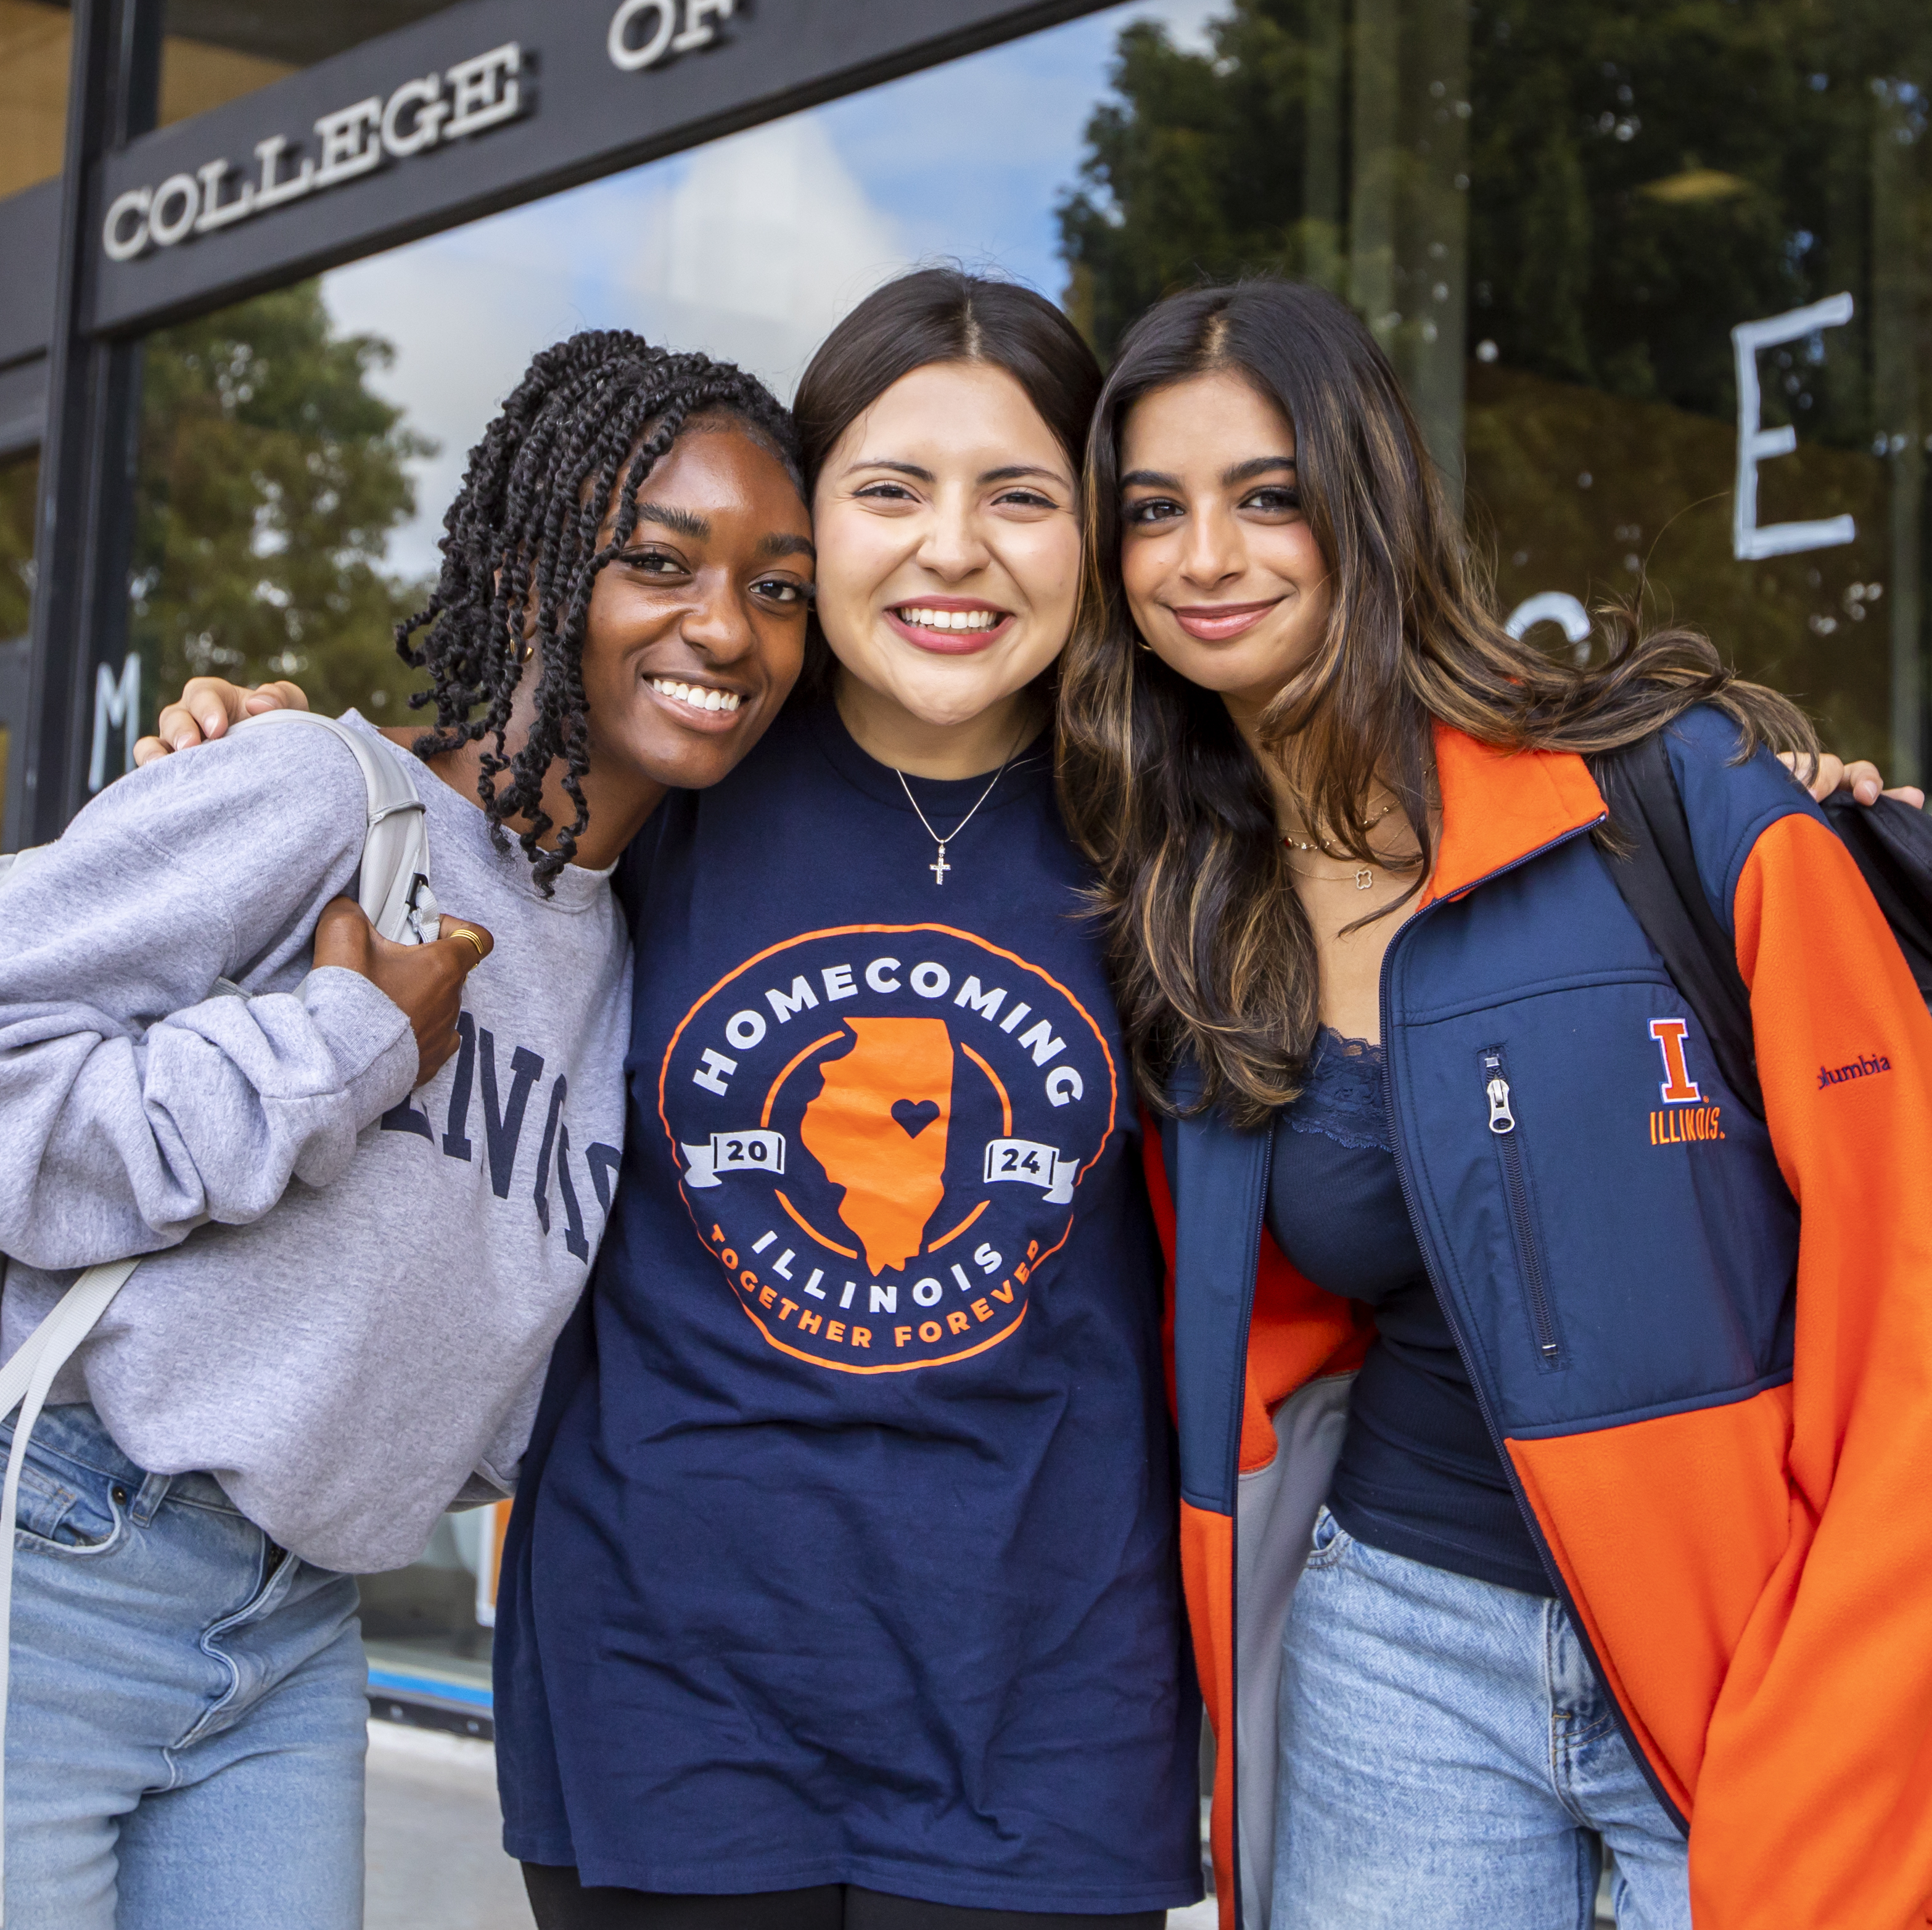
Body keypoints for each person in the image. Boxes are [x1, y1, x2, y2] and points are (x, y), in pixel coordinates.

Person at [0, 332, 818, 1929]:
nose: (725, 623)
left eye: (779, 585)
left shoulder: (634, 954)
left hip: (297, 1632)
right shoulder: (308, 794)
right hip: (30, 1564)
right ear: (529, 572)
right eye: (658, 560)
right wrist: (336, 1048)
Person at [150, 269, 1201, 1929]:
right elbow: (434, 803)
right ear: (812, 527)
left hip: (1045, 1701)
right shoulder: (671, 766)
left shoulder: (1170, 824)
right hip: (672, 1689)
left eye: (1021, 492)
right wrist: (251, 743)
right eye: (890, 489)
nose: (953, 546)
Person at [1058, 279, 1932, 1930]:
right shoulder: (1192, 909)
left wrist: (1845, 1706)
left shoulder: (1674, 794)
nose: (1203, 557)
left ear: (1366, 504)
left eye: (1265, 495)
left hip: (1758, 1651)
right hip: (1399, 1646)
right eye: (1153, 510)